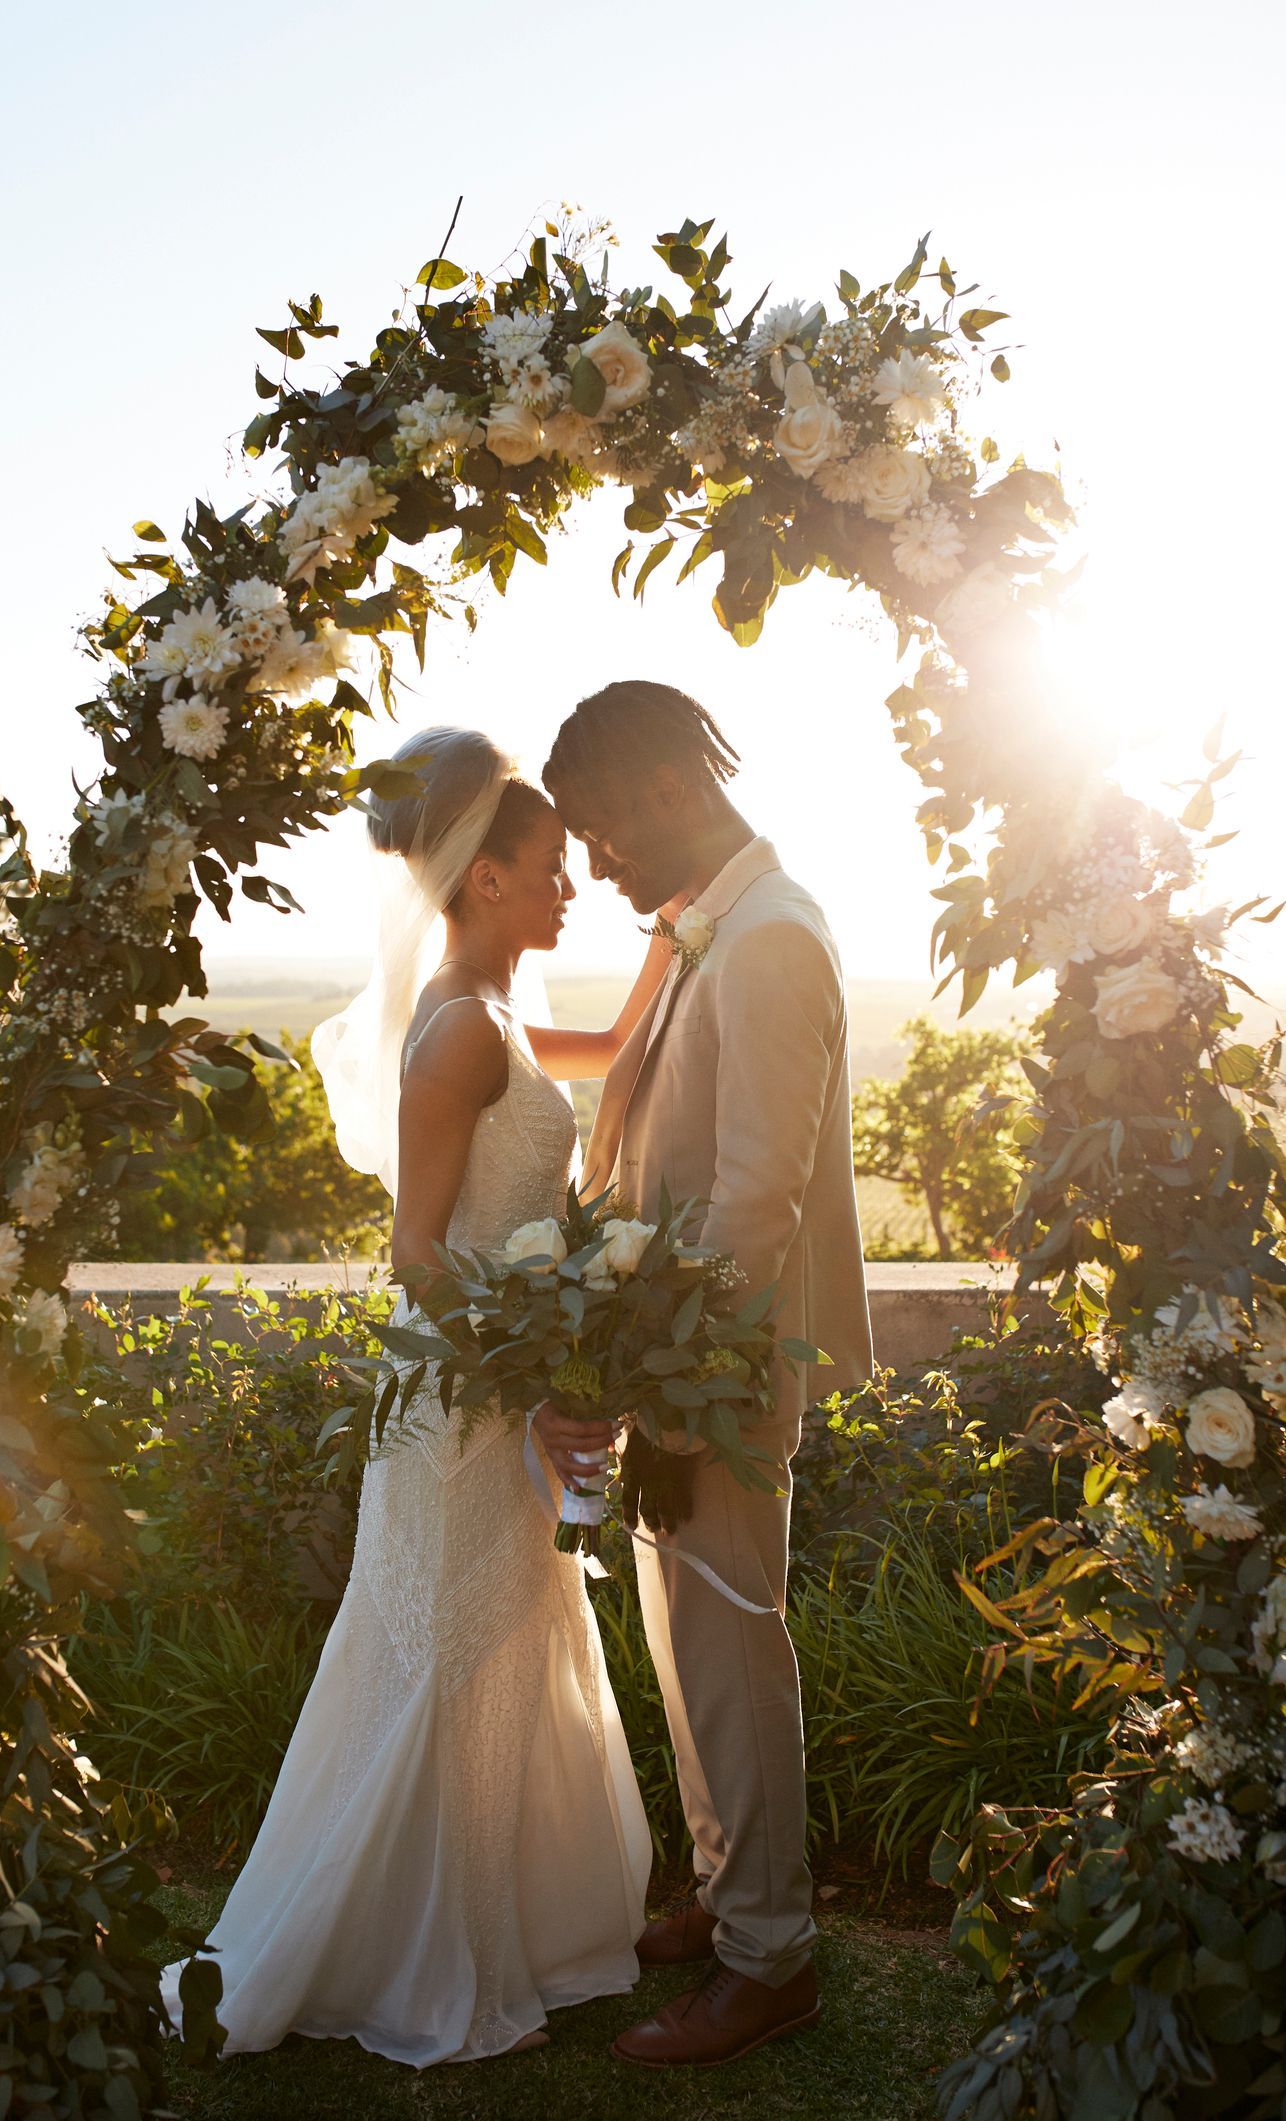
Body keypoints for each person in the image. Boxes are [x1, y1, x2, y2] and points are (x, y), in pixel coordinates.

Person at [160, 726, 665, 2068]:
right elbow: (416, 1251)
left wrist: (679, 916)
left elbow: (614, 1038)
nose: (570, 888)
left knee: (507, 1644)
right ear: (483, 878)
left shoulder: (499, 1005)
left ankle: (521, 1925)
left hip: (502, 1379)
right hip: (459, 1399)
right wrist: (544, 1375)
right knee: (442, 1659)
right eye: (550, 867)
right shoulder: (453, 1029)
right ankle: (405, 1952)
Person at [535, 679, 874, 2068]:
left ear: (670, 789)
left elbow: (752, 1206)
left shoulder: (772, 938)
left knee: (730, 1652)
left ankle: (768, 1959)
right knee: (687, 1648)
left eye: (602, 831)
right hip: (676, 1364)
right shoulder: (708, 929)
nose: (597, 862)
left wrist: (657, 1374)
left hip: (720, 1377)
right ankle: (727, 1892)